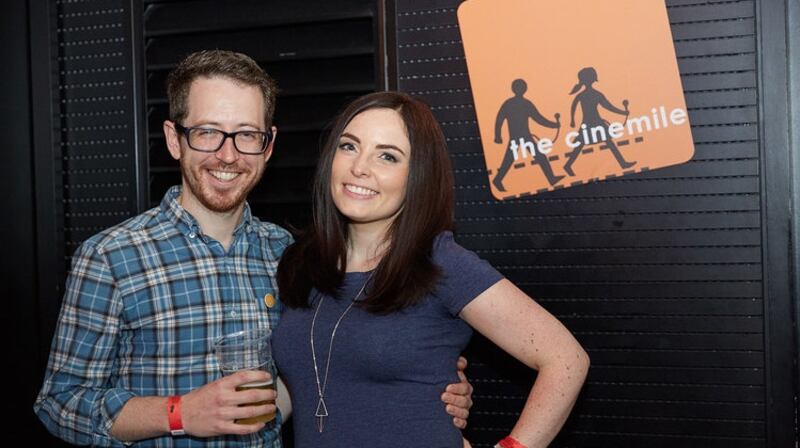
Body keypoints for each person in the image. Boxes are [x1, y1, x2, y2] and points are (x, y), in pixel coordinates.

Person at [34, 50, 472, 447]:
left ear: (269, 145)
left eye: (246, 134)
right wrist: (179, 414)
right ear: (174, 138)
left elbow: (324, 364)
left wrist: (423, 384)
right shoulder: (110, 256)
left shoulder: (293, 256)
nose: (227, 155)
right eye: (207, 132)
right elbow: (60, 404)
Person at [274, 91, 590, 447]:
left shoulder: (440, 262)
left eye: (388, 156)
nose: (359, 167)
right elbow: (308, 383)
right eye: (349, 147)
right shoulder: (302, 263)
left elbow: (565, 359)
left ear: (417, 176)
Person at [563, 67, 635, 176]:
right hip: (592, 123)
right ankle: (568, 165)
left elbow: (574, 105)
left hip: (592, 122)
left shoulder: (584, 95)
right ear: (592, 79)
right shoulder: (594, 94)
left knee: (606, 142)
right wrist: (623, 113)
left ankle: (623, 163)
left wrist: (572, 119)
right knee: (583, 145)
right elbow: (609, 107)